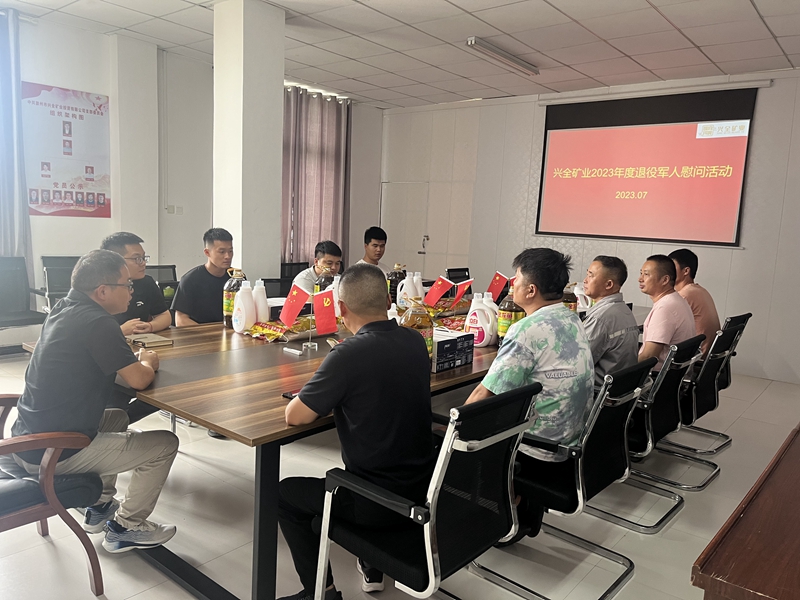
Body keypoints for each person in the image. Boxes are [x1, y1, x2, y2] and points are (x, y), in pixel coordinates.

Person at [279, 264, 434, 600]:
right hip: (421, 490)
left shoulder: (348, 354)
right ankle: (371, 561)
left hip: (374, 503)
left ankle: (322, 593)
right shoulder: (415, 341)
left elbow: (295, 416)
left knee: (284, 494)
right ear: (389, 301)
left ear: (341, 308)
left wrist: (329, 390)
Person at [11, 250, 179, 553]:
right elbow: (139, 379)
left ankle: (100, 505)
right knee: (165, 444)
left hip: (27, 438)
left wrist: (133, 362)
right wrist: (148, 361)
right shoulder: (98, 322)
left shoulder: (64, 308)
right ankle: (127, 527)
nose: (131, 292)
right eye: (126, 285)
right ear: (102, 291)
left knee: (117, 417)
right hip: (53, 450)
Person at [466, 248, 593, 541]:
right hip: (571, 439)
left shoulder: (526, 329)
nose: (512, 285)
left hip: (538, 446)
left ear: (531, 289)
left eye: (517, 279)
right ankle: (520, 504)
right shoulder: (571, 318)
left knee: (458, 435)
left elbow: (486, 392)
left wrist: (451, 429)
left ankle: (505, 510)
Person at [581, 256, 639, 387]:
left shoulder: (600, 319)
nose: (585, 280)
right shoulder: (624, 310)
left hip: (597, 391)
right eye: (587, 274)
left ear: (608, 284)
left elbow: (578, 363)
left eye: (591, 276)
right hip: (620, 388)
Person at [638, 255, 696, 370]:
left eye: (646, 274)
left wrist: (623, 369)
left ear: (665, 280)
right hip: (674, 374)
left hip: (656, 376)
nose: (640, 279)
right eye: (641, 273)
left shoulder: (665, 308)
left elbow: (649, 357)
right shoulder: (676, 300)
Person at [171, 228, 233, 326]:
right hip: (200, 333)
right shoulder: (190, 280)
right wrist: (209, 332)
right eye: (222, 252)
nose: (228, 256)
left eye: (230, 251)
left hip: (231, 331)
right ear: (207, 252)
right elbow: (181, 320)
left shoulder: (236, 278)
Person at [669, 249, 720, 356]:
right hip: (709, 356)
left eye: (671, 267)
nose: (667, 271)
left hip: (695, 356)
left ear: (686, 271)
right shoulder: (699, 290)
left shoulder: (684, 295)